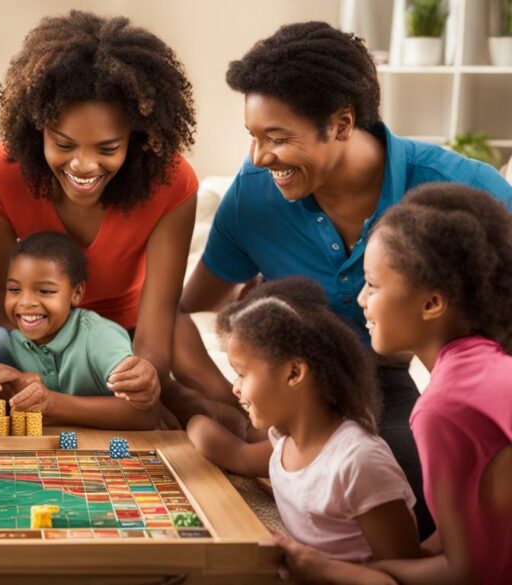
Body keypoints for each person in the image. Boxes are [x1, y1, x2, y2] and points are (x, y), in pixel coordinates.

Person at [175, 21, 512, 538]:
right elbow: (188, 307)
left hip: (401, 382)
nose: (258, 158)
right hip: (314, 384)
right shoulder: (254, 194)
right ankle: (269, 463)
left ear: (341, 123)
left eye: (278, 138)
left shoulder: (459, 191)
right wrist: (226, 395)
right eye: (254, 137)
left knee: (407, 487)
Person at [0, 11, 221, 425]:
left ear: (137, 140)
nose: (83, 166)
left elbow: (158, 316)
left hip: (129, 333)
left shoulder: (171, 182)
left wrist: (148, 376)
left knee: (204, 397)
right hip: (38, 334)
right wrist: (2, 368)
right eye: (64, 144)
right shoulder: (2, 171)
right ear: (36, 130)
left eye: (107, 148)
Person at [271, 184, 512, 584]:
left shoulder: (444, 408)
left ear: (432, 304)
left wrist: (337, 569)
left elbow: (467, 573)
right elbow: (478, 524)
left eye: (374, 285)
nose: (362, 299)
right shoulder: (491, 362)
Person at [187, 277, 420, 584]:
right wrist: (193, 417)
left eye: (242, 374)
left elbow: (403, 577)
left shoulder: (359, 462)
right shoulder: (284, 442)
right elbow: (236, 454)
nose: (235, 387)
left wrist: (321, 568)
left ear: (294, 373)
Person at [0, 232, 161, 429]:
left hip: (101, 450)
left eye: (45, 291)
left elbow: (144, 414)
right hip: (37, 455)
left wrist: (51, 402)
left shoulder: (100, 336)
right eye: (14, 290)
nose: (26, 303)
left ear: (76, 293)